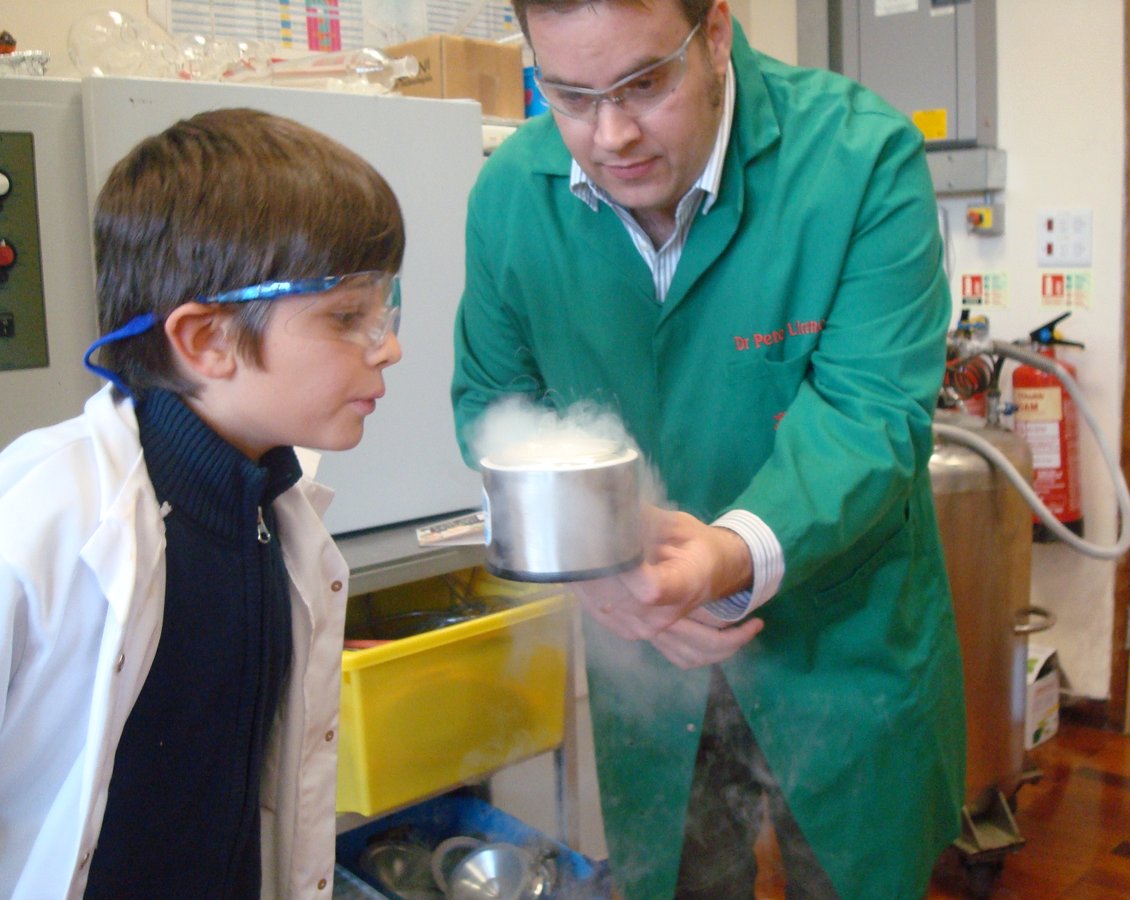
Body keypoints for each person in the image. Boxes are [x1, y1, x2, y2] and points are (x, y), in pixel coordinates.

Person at [450, 1, 966, 897]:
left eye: (644, 84)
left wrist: (728, 555)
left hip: (842, 642)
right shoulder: (511, 197)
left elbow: (871, 413)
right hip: (652, 650)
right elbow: (495, 408)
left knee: (858, 876)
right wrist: (598, 572)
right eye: (568, 93)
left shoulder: (856, 160)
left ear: (716, 32)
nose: (610, 135)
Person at [0, 108, 404, 898]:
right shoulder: (38, 521)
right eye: (347, 316)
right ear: (206, 339)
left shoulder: (271, 508)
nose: (388, 344)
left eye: (386, 308)